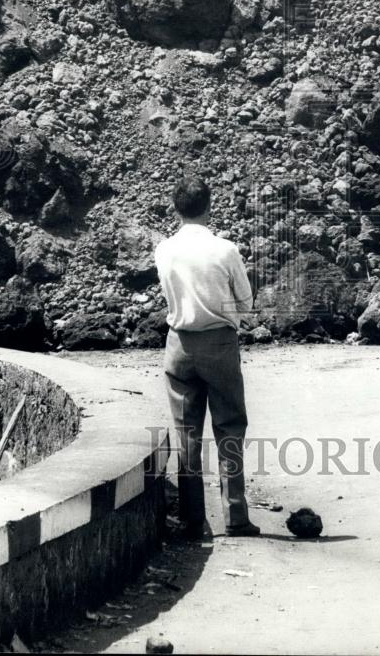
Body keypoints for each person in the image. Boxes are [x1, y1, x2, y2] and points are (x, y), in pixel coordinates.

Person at [154, 175, 260, 540]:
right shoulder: (225, 250)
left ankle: (191, 520)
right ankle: (235, 516)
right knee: (229, 427)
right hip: (219, 343)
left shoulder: (164, 249)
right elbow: (245, 303)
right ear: (209, 205)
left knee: (187, 433)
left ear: (175, 207)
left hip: (179, 343)